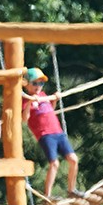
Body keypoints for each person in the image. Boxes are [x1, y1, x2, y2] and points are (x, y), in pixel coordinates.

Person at [23, 68, 78, 197]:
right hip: (45, 134)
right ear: (27, 85)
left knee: (73, 159)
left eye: (41, 83)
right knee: (54, 163)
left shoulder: (43, 96)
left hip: (58, 131)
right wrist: (31, 101)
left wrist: (55, 100)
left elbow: (49, 110)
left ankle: (72, 190)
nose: (38, 87)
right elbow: (24, 119)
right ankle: (47, 195)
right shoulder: (25, 100)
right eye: (35, 83)